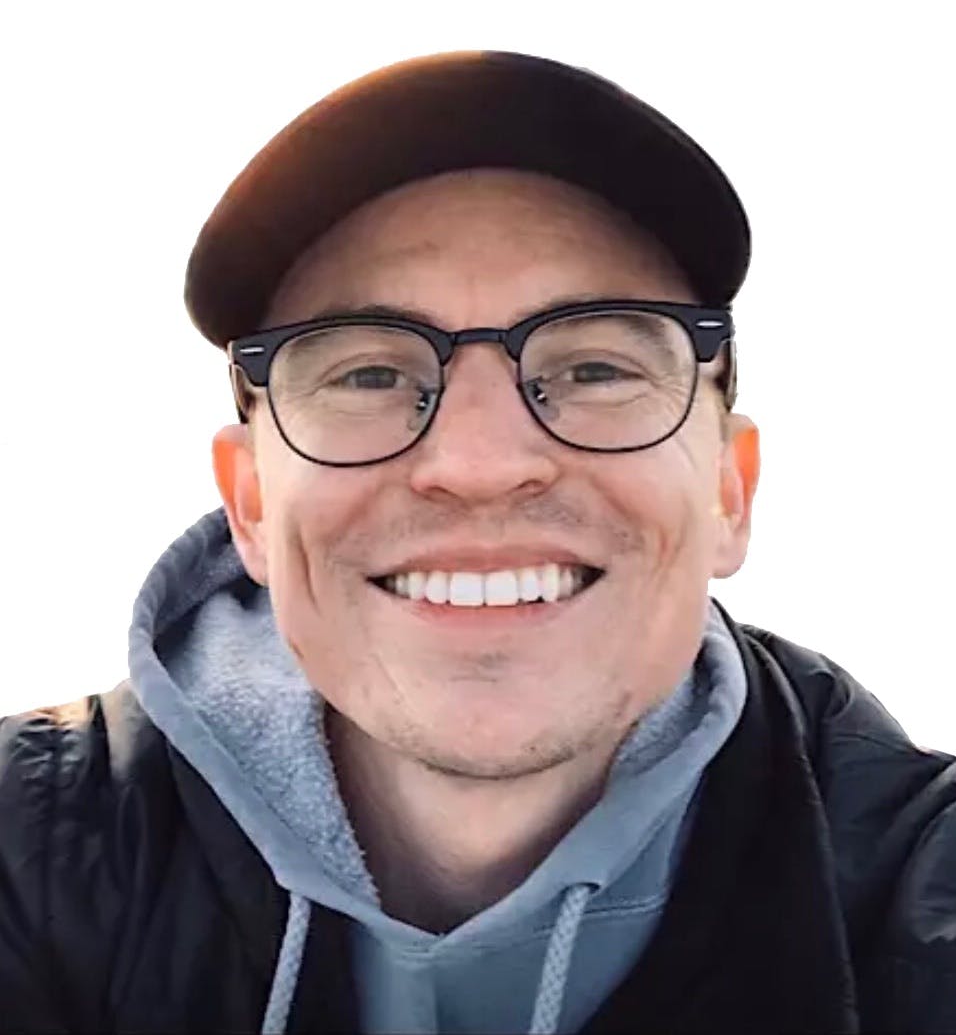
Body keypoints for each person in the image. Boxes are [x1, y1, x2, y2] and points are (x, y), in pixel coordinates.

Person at [1, 51, 954, 1035]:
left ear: (727, 490)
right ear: (249, 507)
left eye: (594, 367)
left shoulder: (918, 894)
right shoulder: (24, 854)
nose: (480, 462)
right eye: (369, 375)